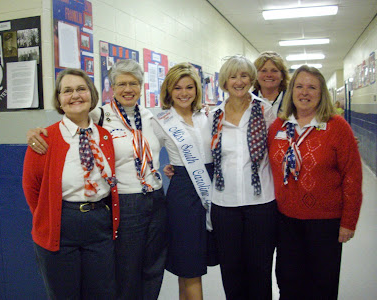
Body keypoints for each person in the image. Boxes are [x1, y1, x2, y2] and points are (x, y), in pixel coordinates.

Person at [27, 59, 167, 300]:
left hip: (139, 204)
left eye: (133, 83)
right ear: (111, 87)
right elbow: (32, 188)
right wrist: (33, 131)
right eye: (121, 83)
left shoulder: (146, 119)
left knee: (143, 271)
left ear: (142, 86)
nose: (128, 88)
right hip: (110, 206)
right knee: (121, 273)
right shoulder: (98, 116)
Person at [22, 68, 119, 299]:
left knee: (101, 293)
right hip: (61, 224)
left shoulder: (104, 136)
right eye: (67, 91)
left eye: (81, 89)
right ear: (59, 100)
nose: (75, 95)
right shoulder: (43, 138)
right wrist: (49, 217)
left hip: (99, 224)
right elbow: (31, 188)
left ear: (92, 95)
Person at [268, 65, 363, 299]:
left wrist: (348, 221)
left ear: (321, 93)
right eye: (299, 86)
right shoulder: (278, 127)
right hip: (286, 221)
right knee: (288, 283)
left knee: (322, 285)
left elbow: (352, 176)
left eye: (312, 87)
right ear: (291, 91)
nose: (305, 92)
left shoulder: (337, 127)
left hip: (326, 223)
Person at [209, 55, 277, 299]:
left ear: (252, 79)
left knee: (260, 269)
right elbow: (207, 152)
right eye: (233, 76)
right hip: (224, 205)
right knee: (231, 270)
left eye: (244, 75)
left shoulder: (265, 111)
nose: (239, 81)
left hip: (261, 204)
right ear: (225, 82)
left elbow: (279, 150)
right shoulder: (214, 115)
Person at [153, 62, 214, 300]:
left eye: (189, 87)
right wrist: (164, 167)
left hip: (211, 188)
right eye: (178, 88)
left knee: (196, 261)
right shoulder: (160, 121)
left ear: (197, 90)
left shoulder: (207, 116)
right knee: (187, 262)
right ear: (169, 91)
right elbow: (144, 150)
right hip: (182, 192)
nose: (184, 93)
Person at [253, 51, 290, 117]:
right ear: (256, 75)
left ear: (282, 76)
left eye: (274, 71)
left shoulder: (292, 100)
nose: (269, 75)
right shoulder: (247, 101)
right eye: (264, 71)